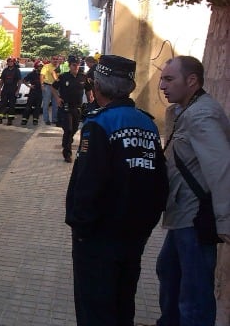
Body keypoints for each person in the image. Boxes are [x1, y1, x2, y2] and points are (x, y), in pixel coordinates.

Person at [66, 54, 169, 326]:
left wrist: (80, 229)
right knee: (123, 303)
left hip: (99, 237)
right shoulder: (147, 123)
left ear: (98, 87)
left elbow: (89, 183)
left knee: (95, 309)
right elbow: (160, 180)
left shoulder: (99, 123)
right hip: (134, 235)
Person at [155, 55, 230, 326]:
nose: (162, 85)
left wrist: (224, 220)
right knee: (168, 271)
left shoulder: (202, 114)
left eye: (169, 79)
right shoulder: (182, 111)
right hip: (181, 214)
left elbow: (221, 168)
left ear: (192, 81)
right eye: (162, 78)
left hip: (195, 218)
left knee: (194, 295)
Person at [51, 56, 93, 162]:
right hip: (66, 107)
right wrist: (57, 98)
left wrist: (90, 101)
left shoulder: (83, 77)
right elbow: (53, 87)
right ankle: (67, 154)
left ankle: (66, 142)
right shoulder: (64, 77)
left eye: (78, 64)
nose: (76, 67)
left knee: (74, 129)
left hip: (77, 108)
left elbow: (88, 90)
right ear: (70, 66)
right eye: (74, 65)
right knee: (68, 130)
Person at [0, 57, 22, 125]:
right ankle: (0, 119)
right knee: (2, 104)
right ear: (7, 63)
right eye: (9, 61)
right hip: (5, 89)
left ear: (13, 62)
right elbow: (2, 80)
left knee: (12, 105)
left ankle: (10, 120)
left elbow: (19, 81)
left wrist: (17, 90)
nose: (10, 63)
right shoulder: (5, 70)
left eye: (11, 61)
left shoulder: (17, 70)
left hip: (13, 89)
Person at [20, 60, 44, 125]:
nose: (41, 67)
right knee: (28, 106)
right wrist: (29, 86)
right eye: (39, 66)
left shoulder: (44, 74)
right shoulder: (32, 74)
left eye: (42, 66)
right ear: (36, 66)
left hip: (40, 92)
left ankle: (35, 120)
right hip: (33, 92)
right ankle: (24, 120)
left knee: (38, 107)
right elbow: (24, 80)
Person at [41, 56, 60, 125]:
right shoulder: (46, 66)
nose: (55, 60)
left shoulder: (59, 67)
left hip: (56, 88)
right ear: (51, 60)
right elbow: (42, 75)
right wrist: (42, 85)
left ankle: (54, 119)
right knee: (46, 104)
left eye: (56, 59)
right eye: (54, 59)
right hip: (47, 86)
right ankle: (46, 120)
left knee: (55, 104)